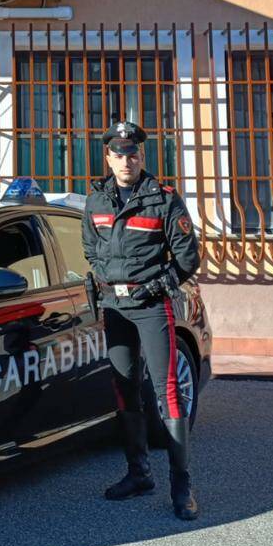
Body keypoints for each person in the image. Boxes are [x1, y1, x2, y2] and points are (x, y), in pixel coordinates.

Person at [81, 121, 201, 520]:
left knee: (167, 392)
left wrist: (154, 286)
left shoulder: (163, 199)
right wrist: (106, 276)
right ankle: (138, 474)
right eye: (118, 153)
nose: (126, 160)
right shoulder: (96, 198)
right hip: (114, 308)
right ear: (108, 157)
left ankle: (181, 486)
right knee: (123, 387)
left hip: (151, 306)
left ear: (141, 156)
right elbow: (90, 247)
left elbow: (187, 258)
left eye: (132, 153)